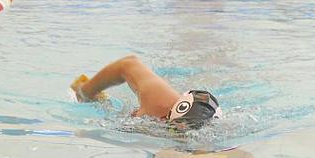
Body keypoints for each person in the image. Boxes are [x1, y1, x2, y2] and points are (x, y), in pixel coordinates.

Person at [70, 55, 222, 129]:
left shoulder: (217, 132)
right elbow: (128, 64)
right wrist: (86, 92)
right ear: (164, 118)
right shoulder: (158, 102)